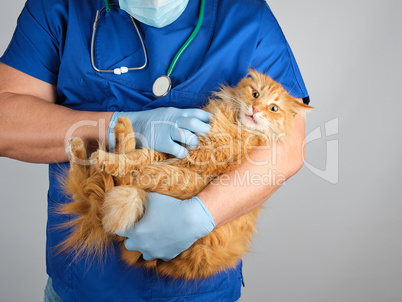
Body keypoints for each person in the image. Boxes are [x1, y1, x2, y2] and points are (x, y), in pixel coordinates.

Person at [0, 0, 310, 301]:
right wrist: (120, 126)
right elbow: (6, 122)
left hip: (199, 285)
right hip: (88, 278)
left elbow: (289, 145)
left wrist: (200, 215)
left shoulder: (245, 13)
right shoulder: (57, 6)